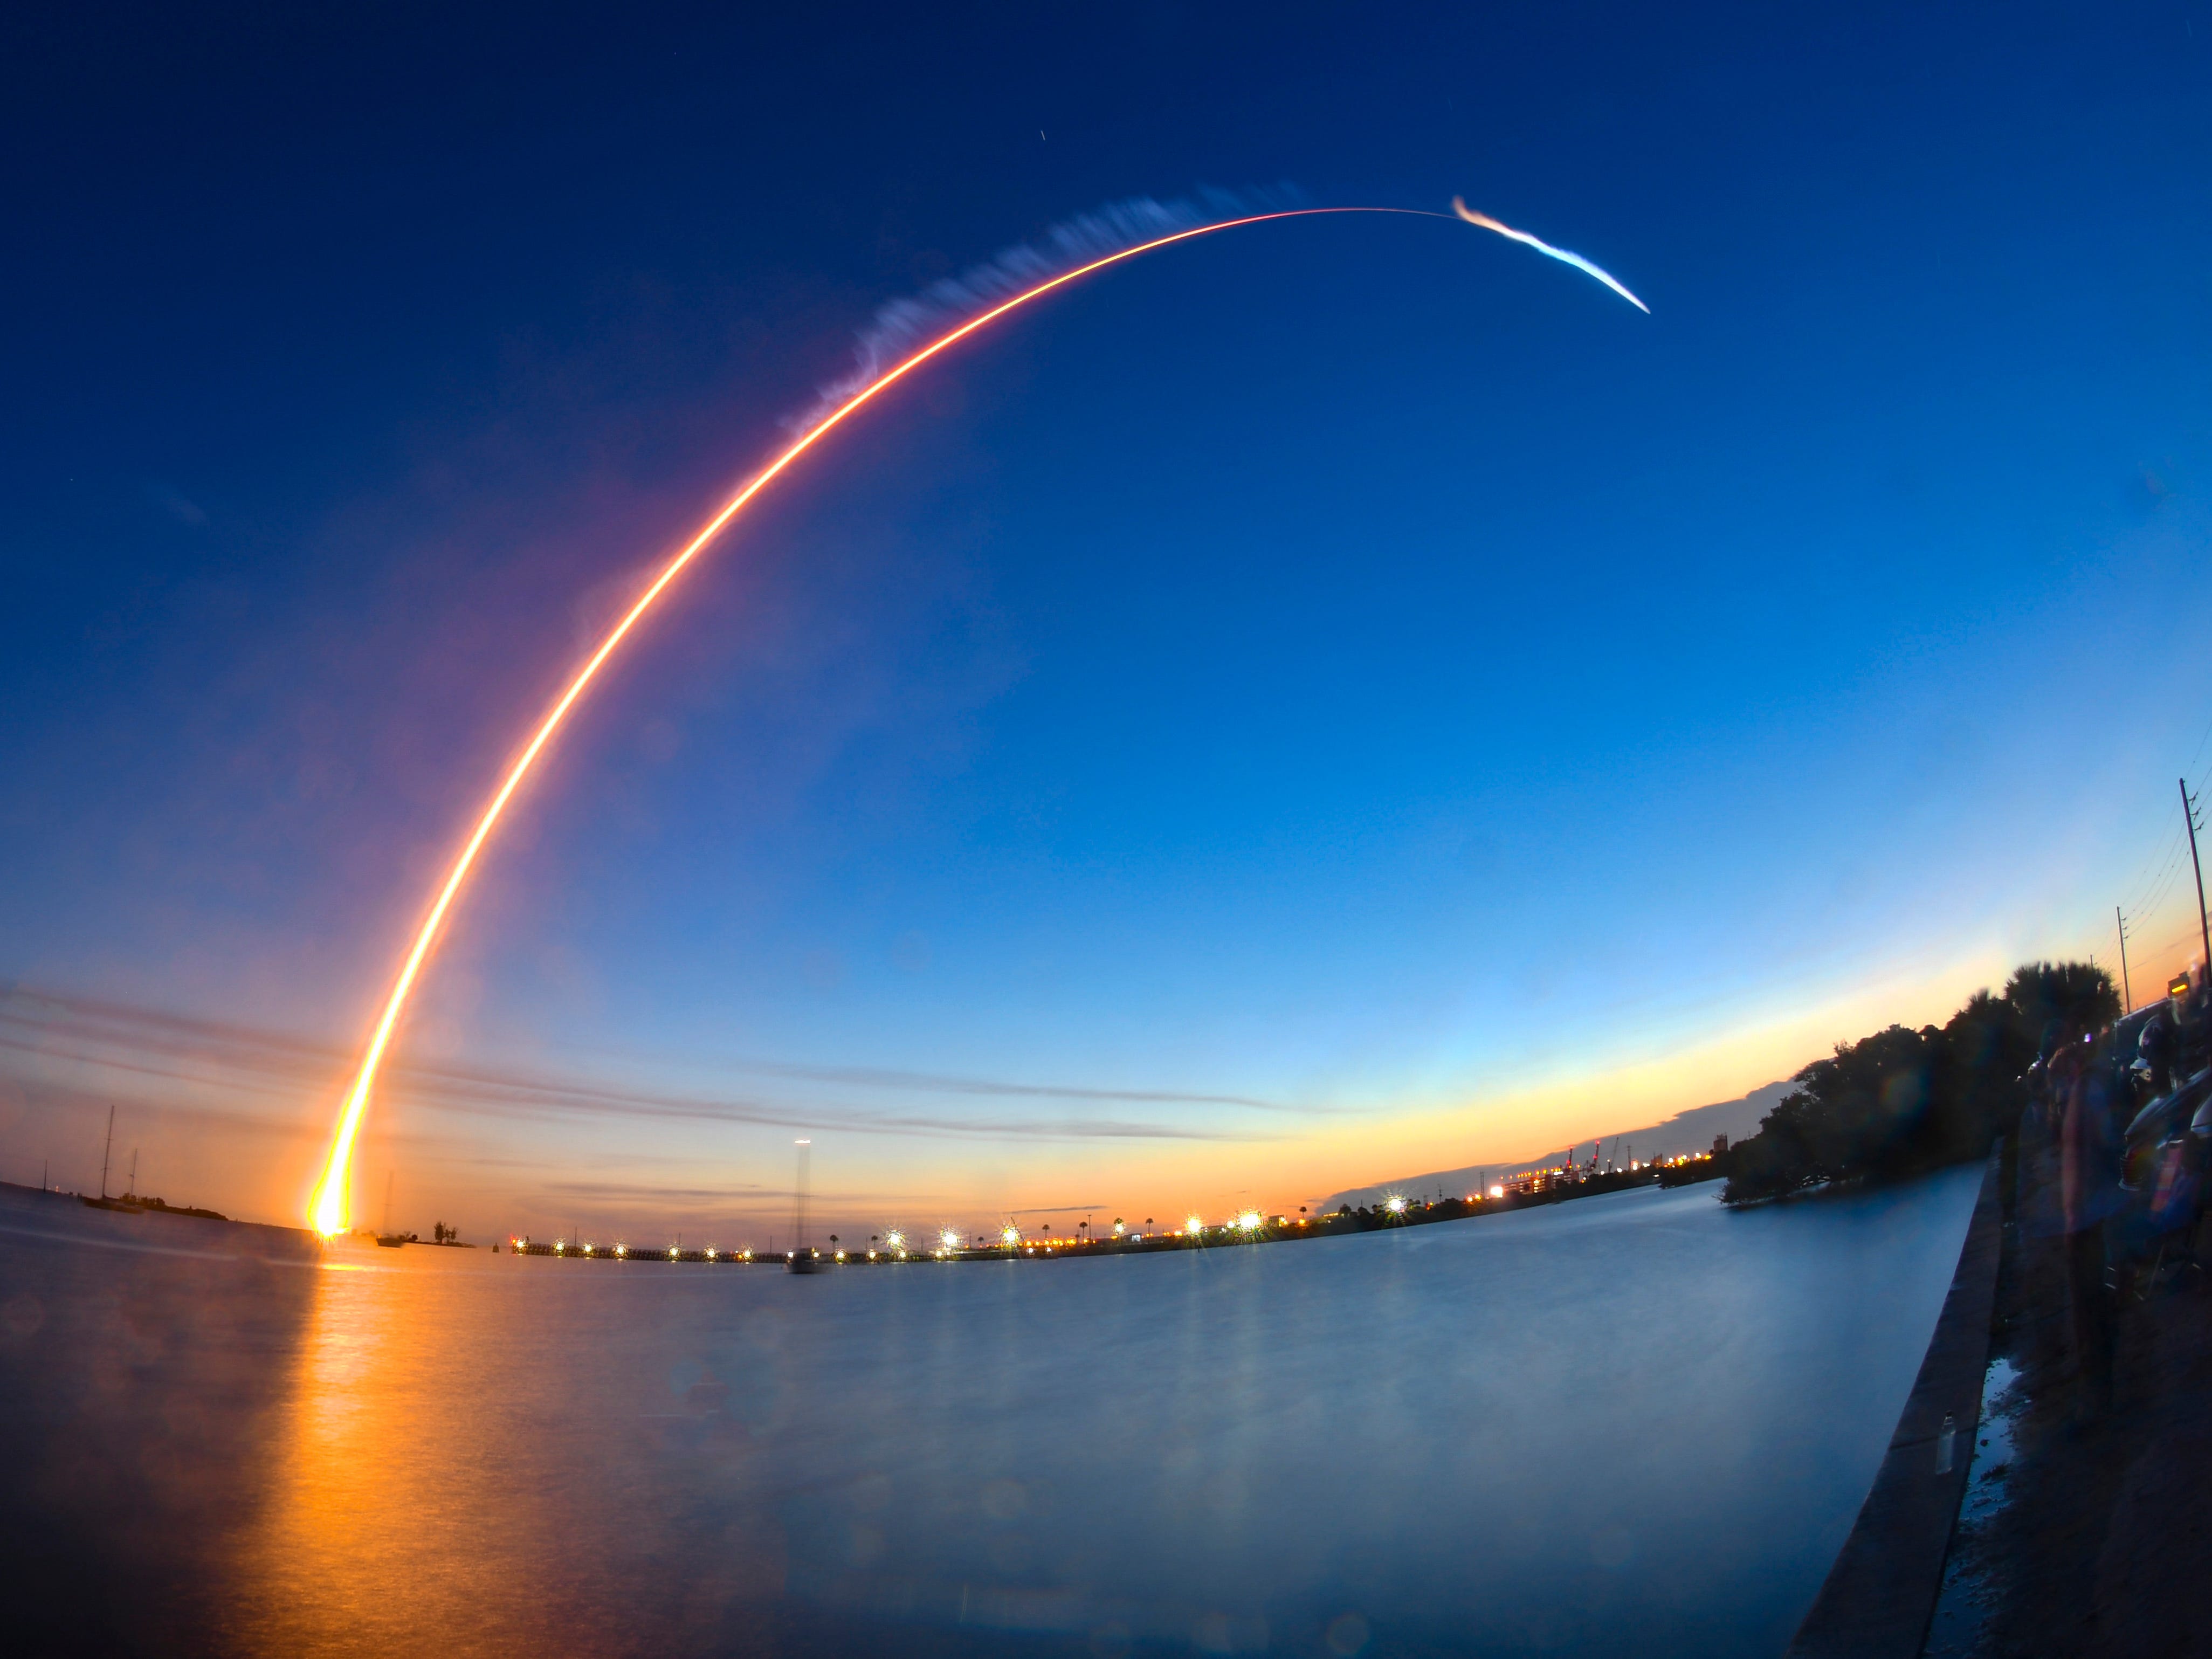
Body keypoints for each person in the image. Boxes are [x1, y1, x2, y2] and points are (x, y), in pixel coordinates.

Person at [2020, 1023, 2126, 1423]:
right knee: (2090, 1306)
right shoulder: (2076, 1097)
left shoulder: (2087, 1094)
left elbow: (2101, 1147)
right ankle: (2098, 1393)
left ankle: (2098, 1401)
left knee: (2089, 1308)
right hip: (2082, 1215)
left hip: (2088, 1216)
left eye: (2056, 1077)